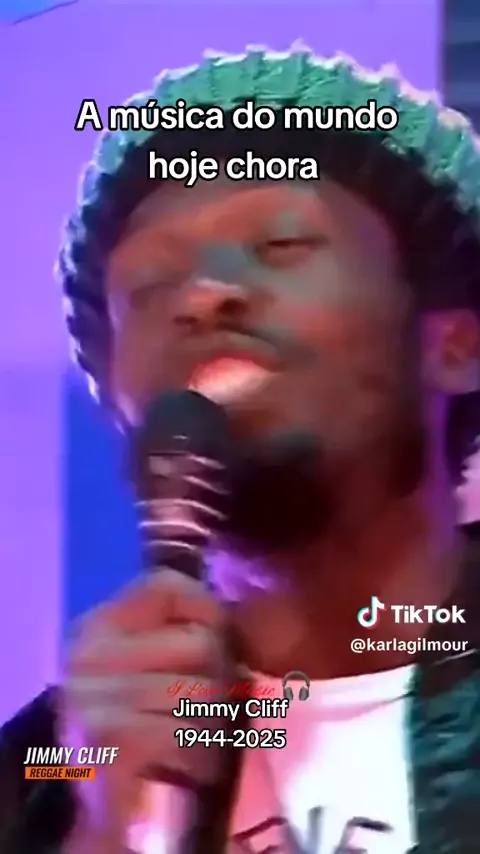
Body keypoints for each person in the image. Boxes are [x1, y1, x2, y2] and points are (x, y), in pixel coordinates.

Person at [1, 44, 480, 854]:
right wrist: (104, 827)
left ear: (455, 346)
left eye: (282, 244)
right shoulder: (43, 772)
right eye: (149, 286)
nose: (202, 294)